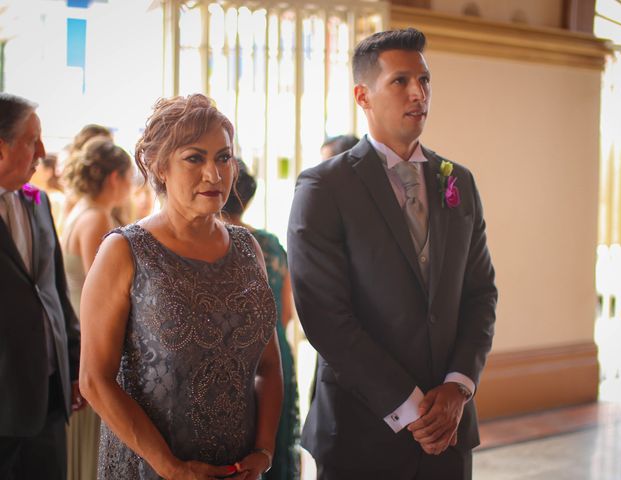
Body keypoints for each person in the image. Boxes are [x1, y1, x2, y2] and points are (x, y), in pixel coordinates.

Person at [287, 28, 497, 480]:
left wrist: (458, 387)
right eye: (400, 81)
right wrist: (410, 406)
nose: (418, 93)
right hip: (361, 430)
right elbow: (325, 316)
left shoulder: (457, 180)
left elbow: (481, 294)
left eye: (424, 81)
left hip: (449, 431)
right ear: (363, 96)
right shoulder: (324, 187)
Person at [79, 93, 283, 480]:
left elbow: (268, 367)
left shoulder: (246, 247)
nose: (214, 174)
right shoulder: (124, 250)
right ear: (159, 166)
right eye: (195, 158)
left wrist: (264, 450)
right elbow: (94, 379)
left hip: (235, 469)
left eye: (224, 157)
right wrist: (170, 467)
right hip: (149, 469)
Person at [0, 93, 83, 479]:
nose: (44, 152)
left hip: (49, 397)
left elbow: (54, 292)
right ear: (1, 149)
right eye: (33, 140)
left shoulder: (38, 203)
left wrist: (75, 361)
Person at [61, 137, 133, 480]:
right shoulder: (97, 219)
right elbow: (101, 291)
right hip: (88, 334)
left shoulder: (80, 209)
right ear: (114, 178)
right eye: (130, 177)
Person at [224, 160, 300, 480]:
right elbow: (285, 313)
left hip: (232, 356)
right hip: (273, 348)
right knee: (271, 444)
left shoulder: (216, 245)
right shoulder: (269, 244)